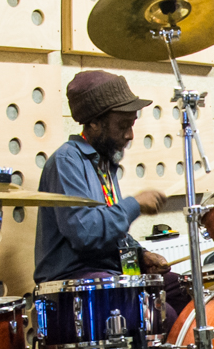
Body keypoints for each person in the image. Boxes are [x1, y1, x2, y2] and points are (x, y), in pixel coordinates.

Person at [34, 69, 169, 283]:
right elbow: (87, 235)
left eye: (131, 125)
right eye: (122, 125)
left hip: (109, 272)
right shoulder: (67, 161)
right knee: (159, 312)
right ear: (94, 122)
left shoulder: (103, 161)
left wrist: (140, 256)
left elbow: (109, 231)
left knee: (180, 290)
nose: (130, 135)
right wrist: (134, 204)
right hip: (75, 279)